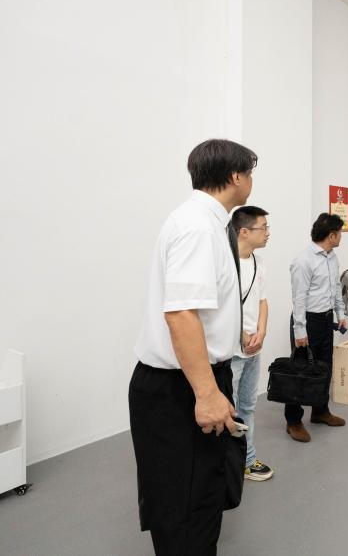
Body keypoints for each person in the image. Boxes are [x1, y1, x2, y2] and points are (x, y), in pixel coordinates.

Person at [130, 138, 256, 554]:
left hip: (192, 378)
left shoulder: (209, 223)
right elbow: (182, 314)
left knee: (200, 497)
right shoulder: (198, 227)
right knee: (184, 509)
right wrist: (206, 393)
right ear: (236, 176)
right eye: (250, 173)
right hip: (180, 386)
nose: (251, 181)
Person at [285, 213, 348, 443]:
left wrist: (340, 314)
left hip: (326, 319)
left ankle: (320, 411)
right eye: (339, 233)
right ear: (331, 236)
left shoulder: (332, 257)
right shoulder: (303, 261)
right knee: (300, 372)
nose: (340, 237)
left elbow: (336, 287)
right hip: (308, 321)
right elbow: (299, 298)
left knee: (324, 368)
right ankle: (293, 421)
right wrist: (300, 330)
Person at [229, 206, 273, 481]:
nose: (268, 233)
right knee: (228, 410)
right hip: (230, 352)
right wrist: (241, 334)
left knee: (248, 406)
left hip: (253, 350)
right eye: (263, 227)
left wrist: (262, 332)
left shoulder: (258, 263)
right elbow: (217, 308)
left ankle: (247, 460)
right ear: (244, 232)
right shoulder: (225, 264)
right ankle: (226, 464)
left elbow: (262, 301)